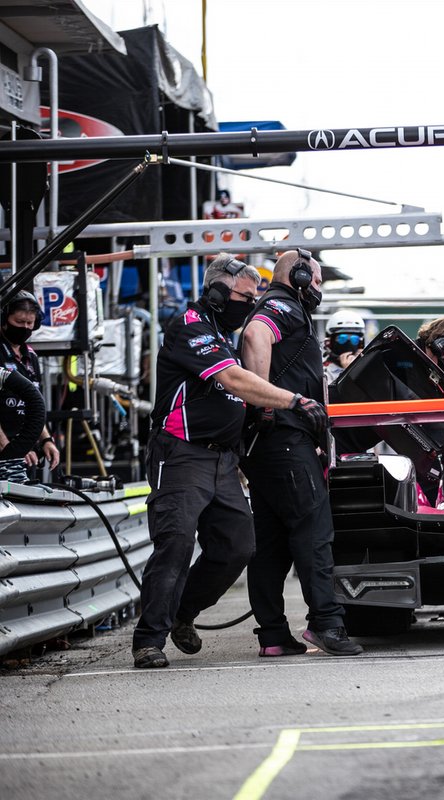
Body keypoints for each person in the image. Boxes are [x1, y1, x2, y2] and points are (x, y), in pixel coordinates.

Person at [131, 254, 327, 669]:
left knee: (239, 546)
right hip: (182, 452)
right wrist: (293, 400)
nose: (249, 303)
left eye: (254, 296)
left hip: (223, 461)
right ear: (218, 290)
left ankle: (182, 612)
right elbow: (234, 381)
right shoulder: (190, 325)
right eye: (243, 295)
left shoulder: (223, 335)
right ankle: (149, 640)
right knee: (176, 545)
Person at [240, 249, 362, 657]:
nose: (320, 289)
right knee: (314, 535)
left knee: (270, 545)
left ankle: (273, 636)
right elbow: (256, 334)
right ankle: (327, 624)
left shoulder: (285, 307)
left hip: (270, 448)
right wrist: (266, 401)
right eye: (319, 280)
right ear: (302, 277)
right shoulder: (282, 306)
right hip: (288, 443)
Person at [0, 291, 60, 476]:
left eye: (29, 323)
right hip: (7, 450)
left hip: (25, 452)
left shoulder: (31, 357)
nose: (25, 328)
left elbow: (34, 406)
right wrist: (10, 449)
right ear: (4, 319)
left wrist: (46, 440)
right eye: (19, 322)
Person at [323, 309, 366, 383]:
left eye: (354, 339)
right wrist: (348, 372)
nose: (348, 343)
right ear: (329, 342)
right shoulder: (322, 370)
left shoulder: (366, 367)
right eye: (342, 338)